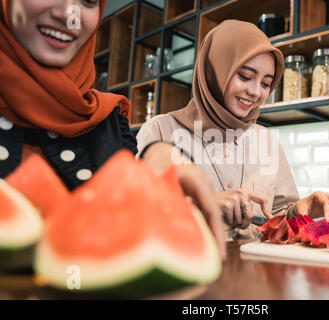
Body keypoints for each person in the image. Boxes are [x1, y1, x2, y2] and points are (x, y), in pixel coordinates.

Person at [0, 0, 225, 258]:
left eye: (88, 1)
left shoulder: (108, 120)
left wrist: (158, 156)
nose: (68, 14)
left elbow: (129, 197)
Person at [136, 20, 329, 241]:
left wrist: (300, 211)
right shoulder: (160, 130)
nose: (255, 92)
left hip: (256, 276)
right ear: (215, 70)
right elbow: (133, 213)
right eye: (245, 76)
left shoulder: (268, 141)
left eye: (265, 83)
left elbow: (277, 220)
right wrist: (200, 203)